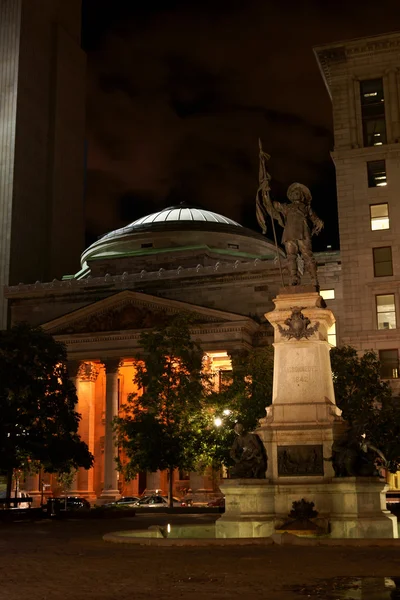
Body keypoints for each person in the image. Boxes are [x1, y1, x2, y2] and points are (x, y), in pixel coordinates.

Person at [270, 183, 324, 287]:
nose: (295, 195)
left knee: (307, 255)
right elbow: (274, 205)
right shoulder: (286, 207)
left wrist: (319, 222)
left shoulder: (306, 208)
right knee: (291, 256)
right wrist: (266, 192)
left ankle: (314, 278)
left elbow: (315, 218)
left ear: (302, 196)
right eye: (293, 193)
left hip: (303, 232)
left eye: (298, 193)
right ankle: (293, 277)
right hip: (289, 233)